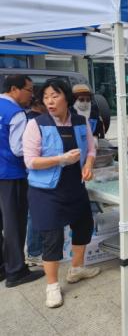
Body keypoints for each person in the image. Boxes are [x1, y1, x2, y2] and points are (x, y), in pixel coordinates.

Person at [23, 79, 100, 308]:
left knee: (83, 227)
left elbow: (92, 149)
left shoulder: (80, 120)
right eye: (46, 97)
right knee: (52, 238)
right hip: (46, 191)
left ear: (67, 98)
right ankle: (52, 286)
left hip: (74, 186)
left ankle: (76, 269)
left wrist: (88, 165)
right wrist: (61, 160)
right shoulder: (36, 124)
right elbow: (30, 161)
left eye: (54, 95)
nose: (49, 101)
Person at [0, 75, 44, 287]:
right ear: (14, 89)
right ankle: (17, 271)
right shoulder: (16, 113)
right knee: (15, 223)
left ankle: (4, 267)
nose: (32, 95)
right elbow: (19, 149)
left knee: (3, 222)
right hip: (12, 174)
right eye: (29, 89)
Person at [25, 97, 47, 267]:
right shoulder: (34, 121)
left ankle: (35, 250)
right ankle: (34, 252)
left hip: (32, 172)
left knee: (34, 212)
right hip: (36, 172)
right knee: (34, 212)